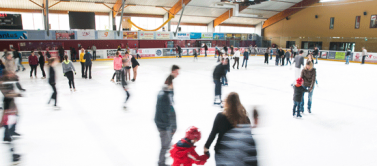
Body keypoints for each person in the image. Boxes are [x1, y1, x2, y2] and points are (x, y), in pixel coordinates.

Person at [204, 92, 252, 165]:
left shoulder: (220, 117)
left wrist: (206, 148)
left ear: (227, 103)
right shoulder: (245, 119)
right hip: (239, 154)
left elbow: (213, 134)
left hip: (222, 154)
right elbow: (249, 138)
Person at [155, 65, 180, 166]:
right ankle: (161, 163)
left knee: (167, 144)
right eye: (177, 72)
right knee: (165, 145)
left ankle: (162, 162)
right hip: (164, 124)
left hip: (163, 123)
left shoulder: (163, 93)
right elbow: (168, 112)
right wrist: (170, 126)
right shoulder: (165, 96)